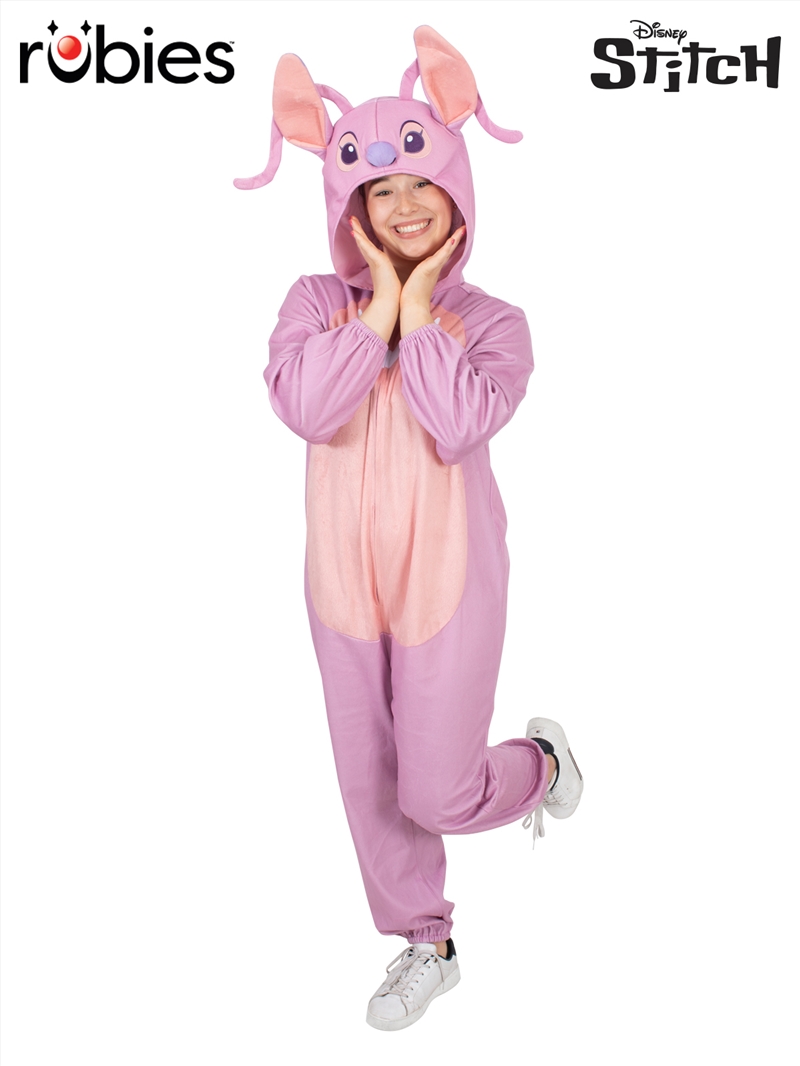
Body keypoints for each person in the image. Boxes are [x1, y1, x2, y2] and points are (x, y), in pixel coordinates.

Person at [236, 27, 583, 1031]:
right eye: (376, 191)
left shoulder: (496, 323)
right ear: (347, 208)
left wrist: (420, 308)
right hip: (342, 589)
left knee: (436, 791)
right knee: (370, 781)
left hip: (448, 583)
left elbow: (459, 421)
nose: (400, 205)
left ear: (456, 191)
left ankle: (539, 767)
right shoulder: (313, 304)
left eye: (419, 184)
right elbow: (308, 409)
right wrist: (377, 305)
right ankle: (426, 942)